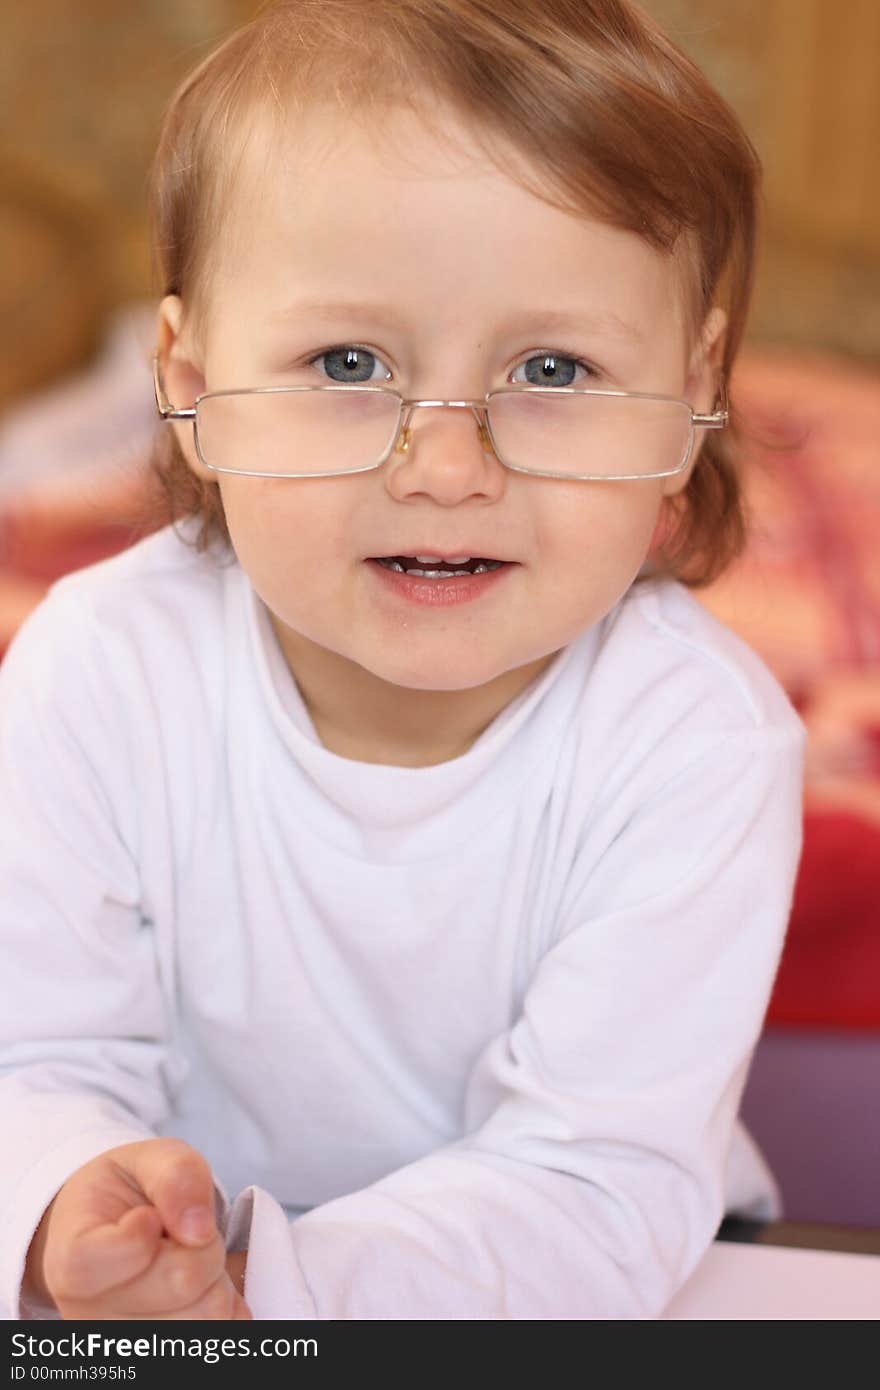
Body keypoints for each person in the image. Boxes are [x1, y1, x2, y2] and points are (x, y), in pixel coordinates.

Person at [0, 0, 805, 1320]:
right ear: (190, 383)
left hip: (593, 1282)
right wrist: (65, 1202)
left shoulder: (696, 737)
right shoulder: (96, 671)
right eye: (348, 360)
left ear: (692, 385)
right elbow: (30, 1054)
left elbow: (595, 1177)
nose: (445, 468)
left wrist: (287, 1291)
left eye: (553, 365)